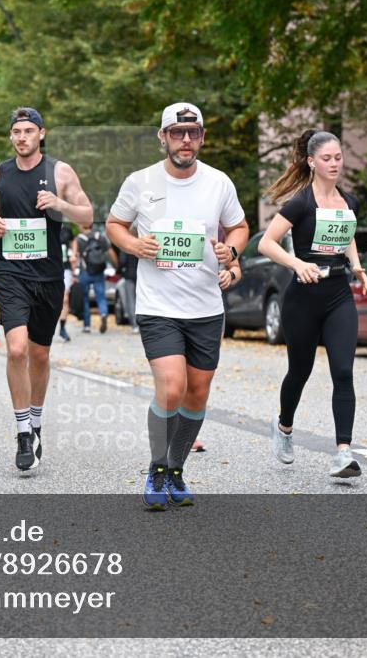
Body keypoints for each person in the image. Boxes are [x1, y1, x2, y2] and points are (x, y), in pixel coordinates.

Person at [106, 103, 248, 509]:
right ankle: (156, 468)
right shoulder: (140, 181)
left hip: (205, 305)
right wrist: (134, 245)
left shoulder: (219, 183)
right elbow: (115, 224)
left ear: (202, 137)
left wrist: (231, 250)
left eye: (193, 132)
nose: (185, 140)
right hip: (158, 305)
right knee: (172, 387)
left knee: (197, 394)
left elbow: (239, 226)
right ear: (162, 137)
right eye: (177, 132)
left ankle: (176, 469)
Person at [0, 107, 95, 471]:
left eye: (28, 131)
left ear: (41, 134)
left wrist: (59, 204)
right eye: (16, 132)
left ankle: (36, 421)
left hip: (48, 277)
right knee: (16, 349)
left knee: (39, 355)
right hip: (10, 273)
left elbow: (87, 215)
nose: (21, 137)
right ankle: (23, 431)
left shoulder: (59, 171)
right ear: (10, 136)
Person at [258, 129, 367, 478]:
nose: (335, 164)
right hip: (303, 298)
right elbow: (267, 243)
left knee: (343, 371)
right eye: (327, 158)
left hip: (338, 294)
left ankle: (343, 452)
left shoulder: (348, 202)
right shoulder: (301, 203)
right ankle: (284, 427)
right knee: (300, 371)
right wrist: (297, 264)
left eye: (338, 158)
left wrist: (357, 266)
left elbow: (348, 235)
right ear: (311, 162)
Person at [73, 224, 112, 333]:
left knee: (85, 298)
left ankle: (87, 326)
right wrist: (117, 265)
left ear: (82, 226)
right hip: (98, 272)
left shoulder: (79, 239)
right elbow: (110, 252)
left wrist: (73, 272)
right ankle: (103, 313)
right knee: (101, 296)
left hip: (84, 272)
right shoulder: (100, 237)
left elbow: (74, 257)